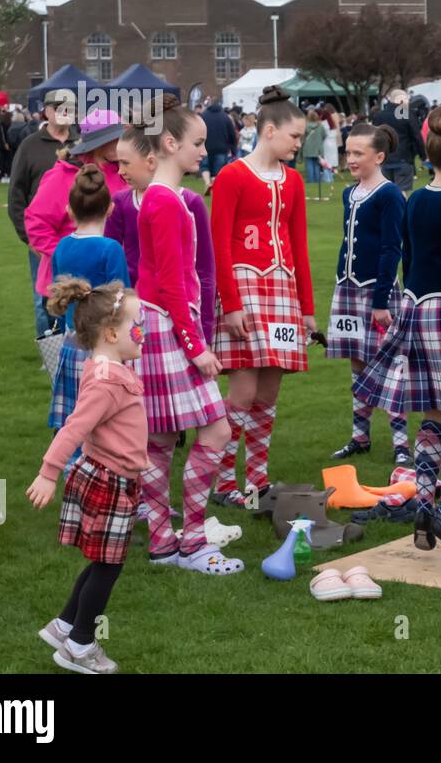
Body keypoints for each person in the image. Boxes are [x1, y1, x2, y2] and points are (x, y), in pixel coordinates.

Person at [353, 105, 441, 559]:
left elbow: (408, 258)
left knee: (432, 415)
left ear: (429, 156)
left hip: (415, 307)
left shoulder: (413, 201)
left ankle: (424, 507)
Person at [129, 95, 238, 576]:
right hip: (169, 326)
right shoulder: (166, 200)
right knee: (215, 429)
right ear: (170, 143)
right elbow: (173, 282)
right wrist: (197, 348)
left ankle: (163, 543)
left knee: (159, 439)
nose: (203, 151)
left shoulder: (160, 197)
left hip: (157, 324)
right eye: (197, 143)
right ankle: (191, 541)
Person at [27, 278, 146, 673]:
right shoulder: (108, 381)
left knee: (101, 562)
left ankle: (65, 626)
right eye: (136, 325)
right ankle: (79, 645)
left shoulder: (106, 368)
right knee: (108, 566)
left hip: (114, 476)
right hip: (109, 482)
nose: (142, 332)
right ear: (112, 333)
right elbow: (74, 428)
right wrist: (48, 472)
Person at [209, 87, 315, 508]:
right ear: (269, 131)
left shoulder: (294, 180)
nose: (298, 143)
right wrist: (230, 304)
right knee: (241, 394)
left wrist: (306, 310)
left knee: (268, 394)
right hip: (245, 289)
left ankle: (256, 480)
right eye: (294, 136)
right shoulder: (233, 175)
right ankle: (221, 481)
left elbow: (299, 245)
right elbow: (219, 244)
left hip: (282, 292)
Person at [328, 123, 410, 462]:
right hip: (347, 288)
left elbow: (392, 248)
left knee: (390, 368)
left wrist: (380, 302)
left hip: (377, 292)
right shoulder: (350, 193)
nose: (351, 159)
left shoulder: (390, 194)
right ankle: (360, 437)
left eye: (358, 153)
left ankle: (402, 446)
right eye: (349, 152)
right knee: (357, 364)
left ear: (379, 156)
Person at [47, 166, 130, 461]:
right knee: (105, 423)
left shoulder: (62, 247)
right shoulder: (111, 249)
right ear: (110, 209)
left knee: (74, 419)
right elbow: (123, 303)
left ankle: (72, 475)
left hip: (71, 344)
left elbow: (57, 294)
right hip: (103, 350)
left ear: (70, 210)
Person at [106, 128, 216, 347]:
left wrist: (205, 326)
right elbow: (111, 260)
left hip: (184, 309)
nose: (120, 171)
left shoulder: (190, 202)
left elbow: (204, 269)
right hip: (137, 311)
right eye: (118, 163)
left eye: (126, 163)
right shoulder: (121, 202)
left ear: (151, 160)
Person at [24, 109, 127, 314]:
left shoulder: (125, 171)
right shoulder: (64, 176)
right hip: (70, 285)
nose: (119, 143)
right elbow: (37, 225)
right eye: (113, 139)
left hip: (111, 276)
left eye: (120, 137)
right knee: (73, 343)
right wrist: (71, 257)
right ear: (97, 143)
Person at [8, 89, 79, 337]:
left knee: (78, 292)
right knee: (44, 298)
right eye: (57, 107)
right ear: (46, 111)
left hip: (77, 236)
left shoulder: (81, 144)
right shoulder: (29, 146)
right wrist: (27, 237)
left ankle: (78, 347)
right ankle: (49, 352)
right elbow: (16, 193)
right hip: (41, 237)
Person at [375, 89, 428, 194]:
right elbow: (416, 136)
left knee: (386, 191)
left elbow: (374, 137)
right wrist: (423, 155)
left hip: (384, 158)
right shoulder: (405, 113)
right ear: (401, 101)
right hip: (403, 158)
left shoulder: (379, 116)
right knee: (401, 191)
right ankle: (401, 210)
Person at [199, 99, 237, 190]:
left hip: (206, 147)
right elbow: (232, 133)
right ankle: (215, 185)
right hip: (222, 148)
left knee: (204, 166)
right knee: (218, 170)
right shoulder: (225, 117)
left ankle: (207, 183)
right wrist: (233, 148)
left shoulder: (203, 116)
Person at [301, 108, 326, 185]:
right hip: (318, 147)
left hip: (308, 147)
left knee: (309, 165)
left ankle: (311, 180)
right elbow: (324, 135)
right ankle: (317, 180)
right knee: (317, 165)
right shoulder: (321, 126)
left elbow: (302, 137)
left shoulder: (305, 126)